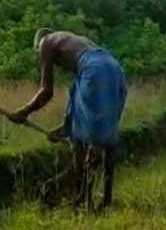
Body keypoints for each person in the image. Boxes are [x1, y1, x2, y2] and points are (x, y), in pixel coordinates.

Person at [9, 28, 127, 210]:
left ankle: (83, 199)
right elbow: (75, 99)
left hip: (93, 69)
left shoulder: (45, 43)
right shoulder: (73, 41)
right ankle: (107, 200)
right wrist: (66, 127)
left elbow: (46, 92)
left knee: (83, 140)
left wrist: (23, 112)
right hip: (114, 68)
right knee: (108, 134)